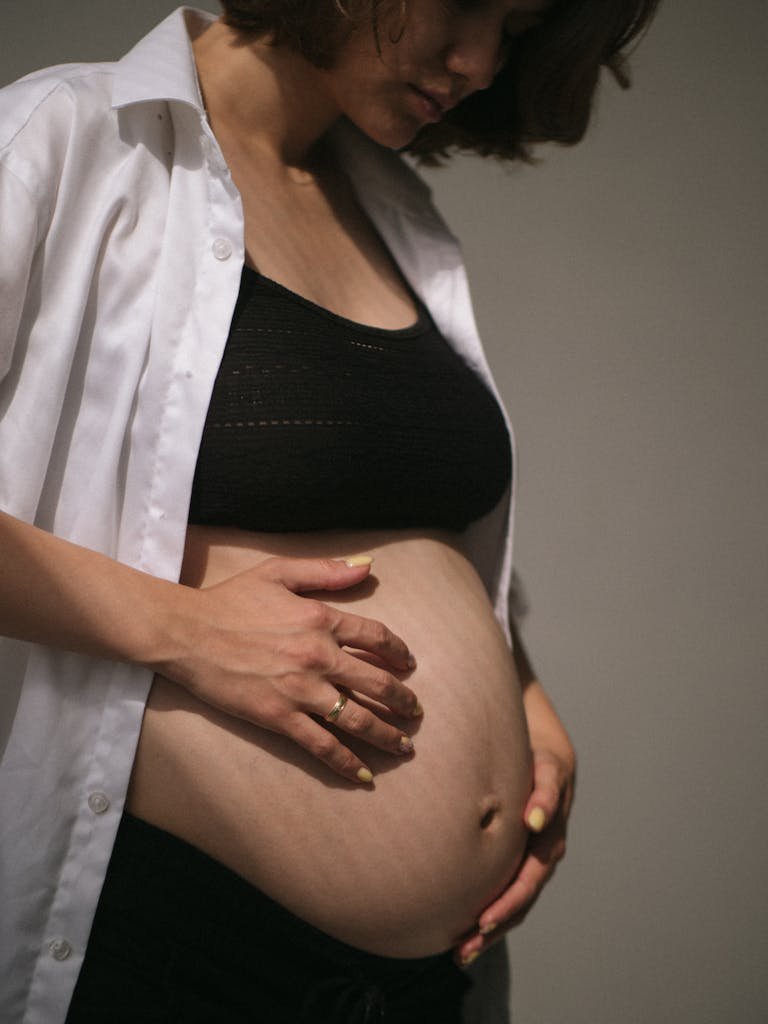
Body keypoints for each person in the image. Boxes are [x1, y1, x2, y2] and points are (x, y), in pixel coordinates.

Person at [0, 1, 658, 1021]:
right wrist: (189, 630)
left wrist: (519, 693)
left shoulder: (390, 208)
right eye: (466, 2)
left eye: (517, 27)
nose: (481, 62)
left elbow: (407, 517)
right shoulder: (65, 137)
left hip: (440, 980)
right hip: (179, 954)